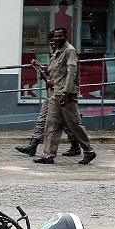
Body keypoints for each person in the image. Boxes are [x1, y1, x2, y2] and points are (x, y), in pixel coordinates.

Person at [32, 28, 96, 165]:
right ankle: (48, 155)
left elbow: (71, 73)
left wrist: (66, 93)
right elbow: (53, 72)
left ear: (66, 37)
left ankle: (89, 151)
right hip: (55, 94)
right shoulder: (57, 52)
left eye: (60, 36)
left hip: (65, 95)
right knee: (51, 124)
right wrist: (39, 67)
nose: (57, 38)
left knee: (74, 125)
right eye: (55, 36)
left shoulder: (69, 51)